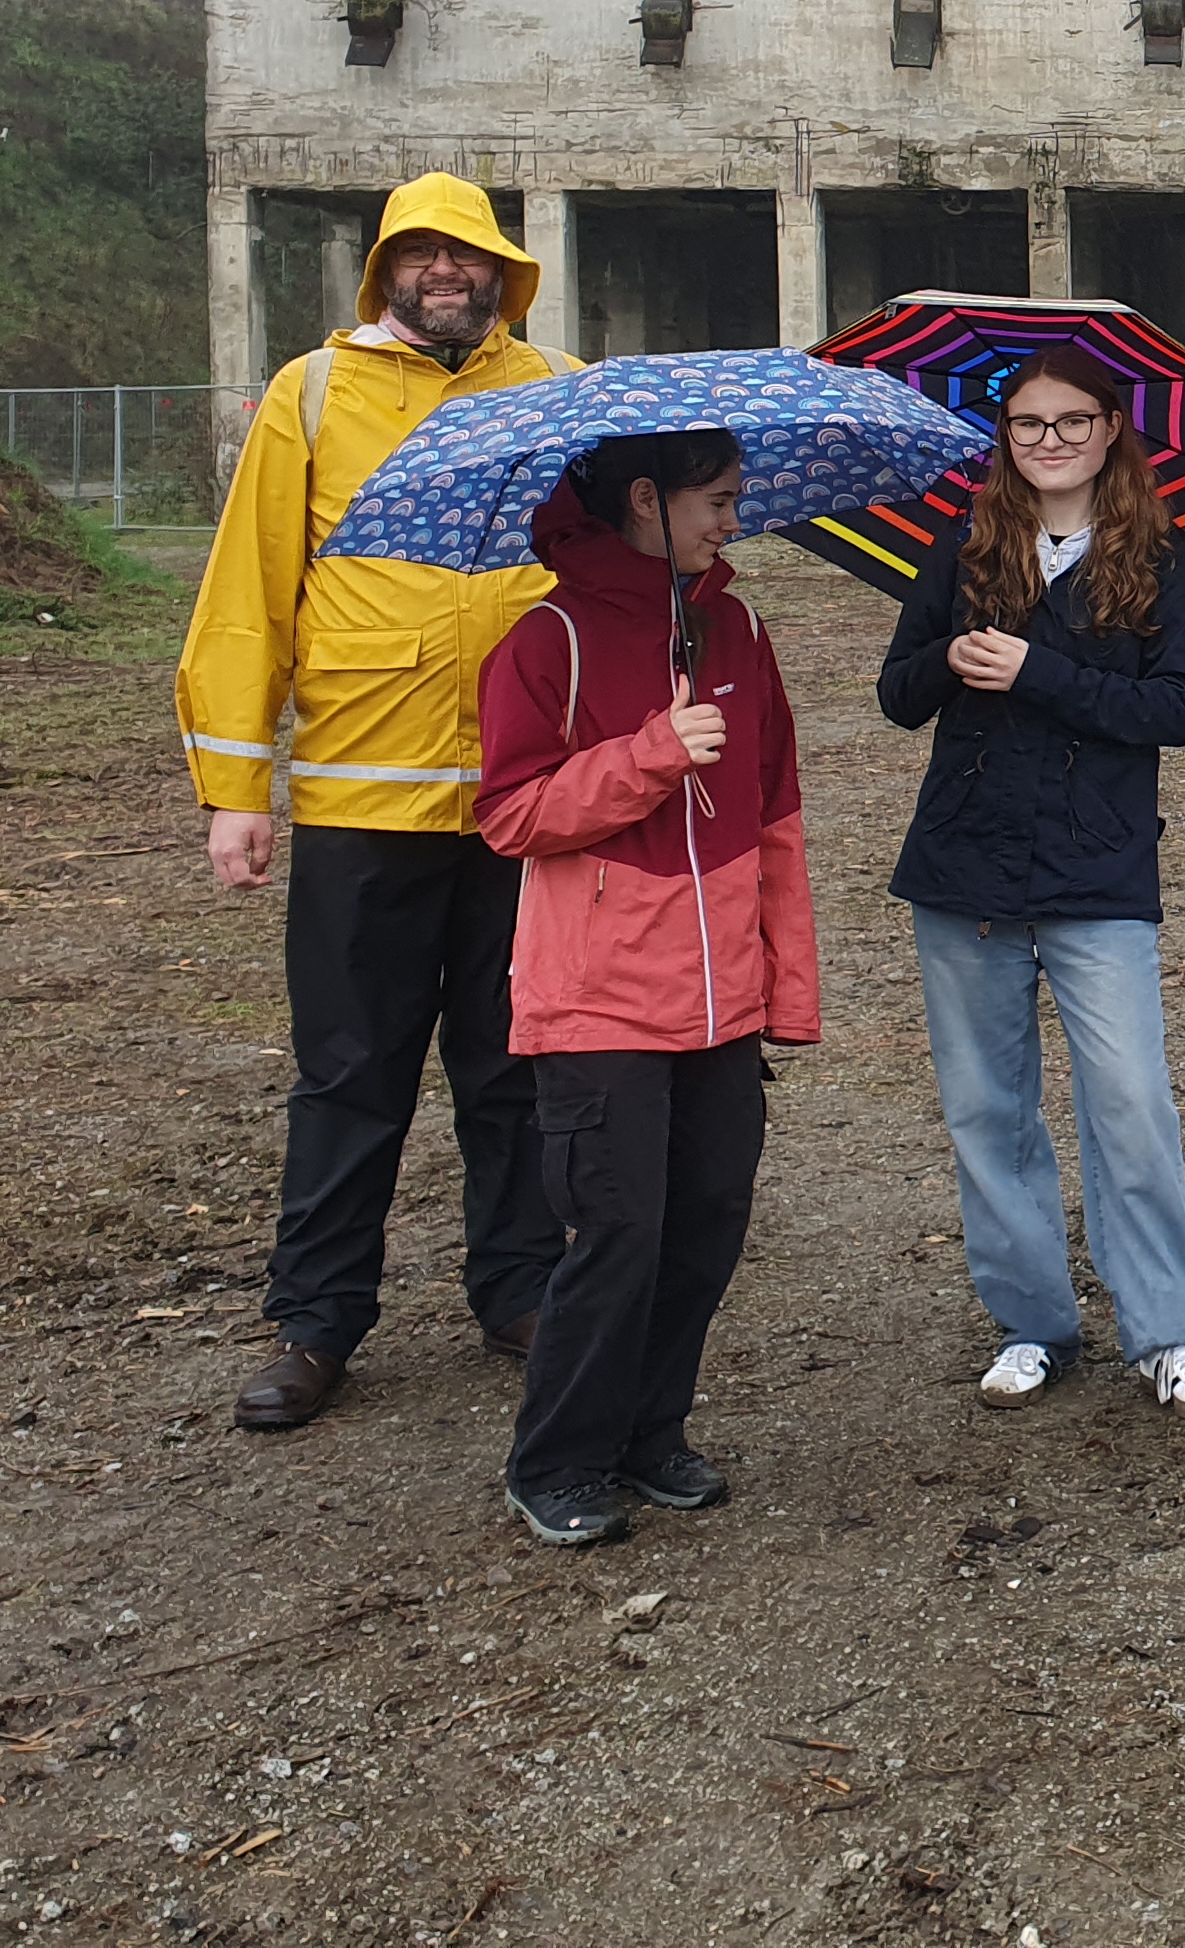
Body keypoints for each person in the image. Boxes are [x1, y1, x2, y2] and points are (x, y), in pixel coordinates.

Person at [180, 175, 578, 1432]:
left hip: (527, 800)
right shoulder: (310, 394)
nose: (444, 275)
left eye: (466, 257)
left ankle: (519, 1289)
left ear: (502, 272)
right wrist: (237, 790)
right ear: (385, 272)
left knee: (517, 1065)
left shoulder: (557, 391)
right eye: (420, 256)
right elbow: (247, 596)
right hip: (363, 798)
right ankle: (317, 1321)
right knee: (351, 1073)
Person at [880, 347, 1185, 1426]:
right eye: (1030, 425)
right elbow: (898, 695)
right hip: (966, 867)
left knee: (1131, 1105)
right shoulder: (964, 547)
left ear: (1110, 429)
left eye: (1072, 422)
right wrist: (951, 658)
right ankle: (1032, 1322)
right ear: (1007, 438)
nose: (1051, 442)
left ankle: (1171, 1334)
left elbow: (1175, 711)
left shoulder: (1165, 562)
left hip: (1098, 869)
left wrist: (1040, 671)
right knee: (989, 1111)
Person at [472, 433, 817, 1545]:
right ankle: (559, 1458)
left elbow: (775, 820)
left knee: (708, 1218)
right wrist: (650, 752)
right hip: (599, 999)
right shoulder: (546, 640)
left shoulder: (740, 629)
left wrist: (785, 988)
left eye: (735, 499)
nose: (732, 521)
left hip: (723, 1001)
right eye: (715, 502)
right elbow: (513, 817)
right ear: (641, 500)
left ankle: (650, 1432)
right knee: (617, 1231)